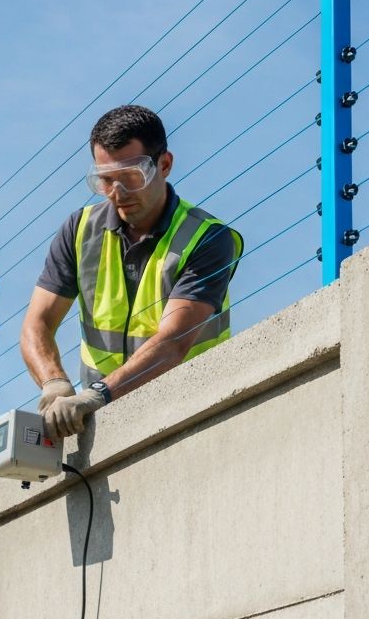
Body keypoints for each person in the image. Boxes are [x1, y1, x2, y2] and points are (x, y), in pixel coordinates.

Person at [20, 104, 243, 440]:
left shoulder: (207, 238)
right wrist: (54, 383)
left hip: (195, 415)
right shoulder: (80, 230)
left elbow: (172, 343)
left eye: (130, 178)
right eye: (106, 180)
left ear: (164, 165)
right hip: (105, 424)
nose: (117, 194)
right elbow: (36, 325)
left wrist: (95, 395)